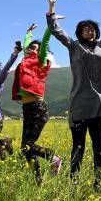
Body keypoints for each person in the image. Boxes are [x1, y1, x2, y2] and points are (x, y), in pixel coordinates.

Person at [46, 0, 101, 190]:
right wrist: (52, 7)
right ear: (79, 33)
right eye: (85, 29)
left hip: (99, 107)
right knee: (78, 147)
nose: (89, 31)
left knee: (99, 148)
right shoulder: (73, 47)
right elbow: (56, 30)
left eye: (92, 29)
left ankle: (98, 182)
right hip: (80, 105)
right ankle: (73, 182)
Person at [12, 22, 62, 184]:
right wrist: (28, 34)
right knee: (25, 147)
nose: (31, 48)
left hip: (37, 108)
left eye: (35, 47)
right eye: (30, 47)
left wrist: (49, 25)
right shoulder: (25, 60)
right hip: (28, 108)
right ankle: (38, 180)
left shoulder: (40, 60)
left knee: (28, 145)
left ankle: (54, 158)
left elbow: (45, 42)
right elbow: (27, 45)